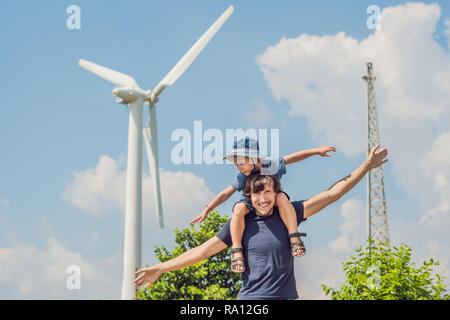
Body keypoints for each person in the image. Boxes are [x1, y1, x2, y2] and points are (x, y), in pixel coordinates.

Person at [135, 144, 388, 300]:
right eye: (257, 194)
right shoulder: (242, 222)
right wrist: (161, 268)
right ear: (250, 196)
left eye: (268, 192)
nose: (263, 199)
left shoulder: (289, 212)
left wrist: (366, 165)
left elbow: (333, 194)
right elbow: (202, 252)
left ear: (276, 192)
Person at [190, 137, 335, 272]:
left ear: (254, 158)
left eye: (241, 163)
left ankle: (294, 237)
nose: (239, 168)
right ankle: (237, 250)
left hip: (272, 200)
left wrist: (317, 151)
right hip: (250, 204)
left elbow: (293, 157)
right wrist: (208, 209)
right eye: (236, 165)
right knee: (238, 208)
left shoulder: (271, 165)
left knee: (281, 197)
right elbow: (225, 193)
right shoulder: (243, 176)